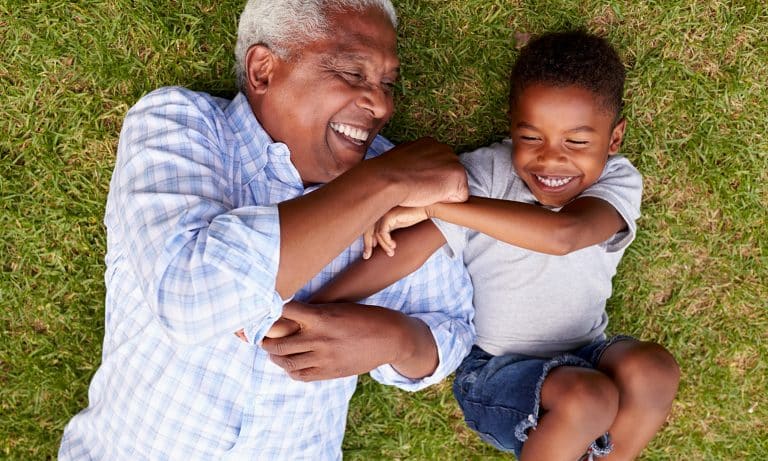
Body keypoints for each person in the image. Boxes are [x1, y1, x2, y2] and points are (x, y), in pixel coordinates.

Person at [58, 1, 477, 459]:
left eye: (387, 84)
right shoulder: (178, 125)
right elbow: (191, 297)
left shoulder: (399, 184)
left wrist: (393, 339)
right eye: (352, 74)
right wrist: (381, 182)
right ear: (262, 70)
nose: (379, 104)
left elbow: (450, 329)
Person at [309, 31, 680, 461]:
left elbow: (565, 236)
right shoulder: (486, 173)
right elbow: (410, 251)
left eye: (576, 142)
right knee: (588, 398)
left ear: (613, 140)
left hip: (588, 351)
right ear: (512, 125)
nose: (551, 160)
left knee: (653, 370)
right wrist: (321, 303)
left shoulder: (616, 181)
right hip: (495, 371)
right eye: (531, 137)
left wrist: (441, 207)